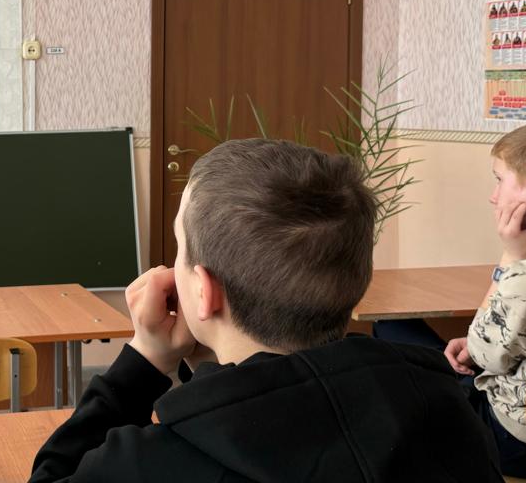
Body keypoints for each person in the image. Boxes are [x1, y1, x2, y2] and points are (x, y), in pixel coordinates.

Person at [29, 139, 502, 482]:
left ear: (203, 292)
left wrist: (144, 360)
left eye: (179, 247)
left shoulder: (150, 463)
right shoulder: (448, 412)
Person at [376, 119, 526, 479]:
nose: (494, 195)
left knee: (391, 330)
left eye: (500, 179)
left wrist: (511, 256)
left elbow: (482, 354)